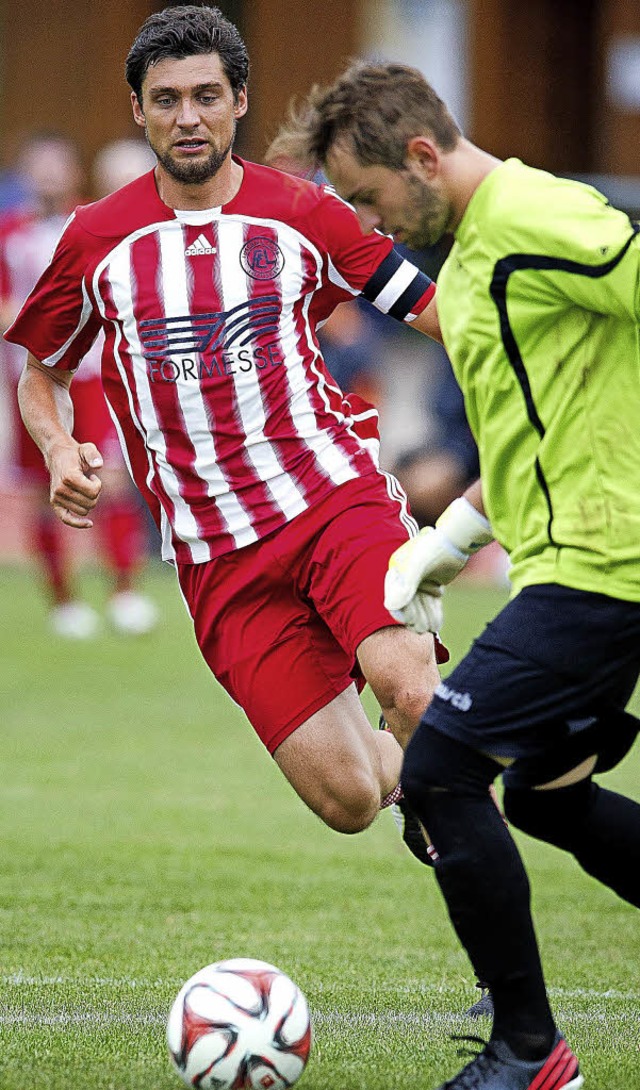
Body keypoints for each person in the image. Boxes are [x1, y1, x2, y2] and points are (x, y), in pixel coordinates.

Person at [7, 9, 446, 874]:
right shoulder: (96, 238)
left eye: (207, 95)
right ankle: (442, 766)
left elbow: (435, 315)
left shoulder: (302, 212)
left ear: (239, 100)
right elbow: (41, 374)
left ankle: (503, 969)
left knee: (411, 693)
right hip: (220, 559)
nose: (188, 117)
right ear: (139, 111)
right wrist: (60, 450)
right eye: (166, 100)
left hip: (333, 500)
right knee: (351, 800)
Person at [283, 61, 640, 1089]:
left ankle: (528, 1052)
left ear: (423, 157)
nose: (370, 223)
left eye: (367, 196)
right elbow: (542, 430)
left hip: (607, 565)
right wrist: (441, 541)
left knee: (438, 770)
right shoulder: (471, 258)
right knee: (545, 796)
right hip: (565, 562)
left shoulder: (537, 218)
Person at [0, 132, 158, 637]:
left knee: (109, 478)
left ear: (73, 173)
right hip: (27, 378)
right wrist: (44, 326)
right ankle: (64, 599)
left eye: (57, 166)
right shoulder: (10, 234)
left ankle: (124, 592)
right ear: (26, 173)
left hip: (89, 375)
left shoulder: (87, 224)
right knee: (40, 485)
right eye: (39, 166)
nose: (49, 176)